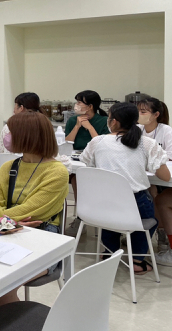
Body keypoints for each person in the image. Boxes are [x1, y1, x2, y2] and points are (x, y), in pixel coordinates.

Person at [0, 111, 69, 306]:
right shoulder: (8, 167)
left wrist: (2, 217)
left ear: (27, 136)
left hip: (43, 239)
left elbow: (31, 210)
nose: (7, 137)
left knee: (2, 282)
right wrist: (9, 220)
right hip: (5, 232)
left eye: (11, 132)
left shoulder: (57, 172)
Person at [80, 102, 170, 275]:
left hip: (100, 206)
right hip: (136, 203)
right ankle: (137, 260)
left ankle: (109, 253)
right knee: (146, 220)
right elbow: (165, 176)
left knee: (110, 216)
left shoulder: (97, 142)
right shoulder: (147, 143)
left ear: (113, 122)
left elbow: (88, 164)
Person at [64, 90, 109, 235]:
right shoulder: (72, 120)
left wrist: (89, 127)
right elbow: (68, 142)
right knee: (77, 178)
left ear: (89, 106)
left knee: (83, 178)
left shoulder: (103, 121)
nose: (76, 106)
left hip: (97, 160)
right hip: (76, 159)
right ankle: (80, 217)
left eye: (79, 103)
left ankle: (88, 215)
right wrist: (77, 126)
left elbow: (102, 144)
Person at [136, 97, 172, 254]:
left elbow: (170, 155)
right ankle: (143, 234)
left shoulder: (165, 130)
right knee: (146, 191)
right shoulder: (137, 129)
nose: (139, 114)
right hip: (146, 173)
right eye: (137, 111)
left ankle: (162, 235)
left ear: (156, 114)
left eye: (143, 112)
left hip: (161, 172)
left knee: (154, 196)